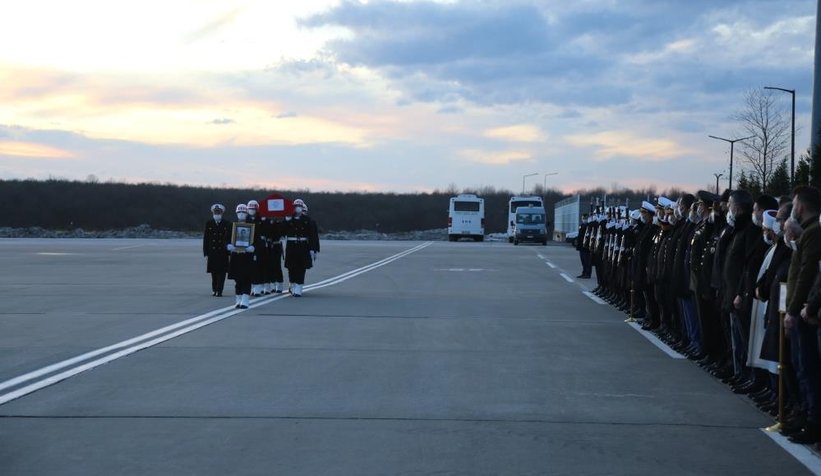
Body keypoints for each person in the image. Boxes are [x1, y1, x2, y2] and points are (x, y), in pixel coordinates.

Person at [785, 186, 821, 443]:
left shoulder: (814, 233)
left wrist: (793, 309)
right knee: (800, 366)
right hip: (802, 309)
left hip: (806, 311)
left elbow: (806, 275)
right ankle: (805, 414)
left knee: (808, 369)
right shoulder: (807, 232)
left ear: (801, 206)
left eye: (795, 203)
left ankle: (813, 421)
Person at [284, 198, 320, 297]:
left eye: (300, 206)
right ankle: (292, 283)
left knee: (301, 267)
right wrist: (286, 221)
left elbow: (313, 236)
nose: (298, 208)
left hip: (303, 246)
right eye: (296, 206)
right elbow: (282, 230)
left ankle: (299, 286)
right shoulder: (289, 218)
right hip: (291, 246)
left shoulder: (307, 220)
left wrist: (313, 249)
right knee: (291, 267)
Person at [227, 204, 257, 309]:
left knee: (247, 278)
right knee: (238, 279)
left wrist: (253, 247)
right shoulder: (232, 226)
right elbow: (226, 239)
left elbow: (258, 240)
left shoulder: (252, 226)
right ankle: (238, 298)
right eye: (239, 212)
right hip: (236, 255)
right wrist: (228, 245)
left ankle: (245, 299)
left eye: (243, 212)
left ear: (246, 213)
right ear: (236, 213)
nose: (241, 214)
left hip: (247, 256)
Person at [203, 204, 232, 297]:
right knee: (214, 272)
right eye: (215, 212)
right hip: (212, 252)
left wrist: (229, 252)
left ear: (222, 213)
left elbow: (229, 238)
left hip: (223, 252)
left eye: (218, 213)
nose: (217, 214)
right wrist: (206, 253)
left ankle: (219, 290)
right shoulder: (209, 223)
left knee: (222, 272)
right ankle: (214, 289)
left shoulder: (227, 224)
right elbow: (206, 239)